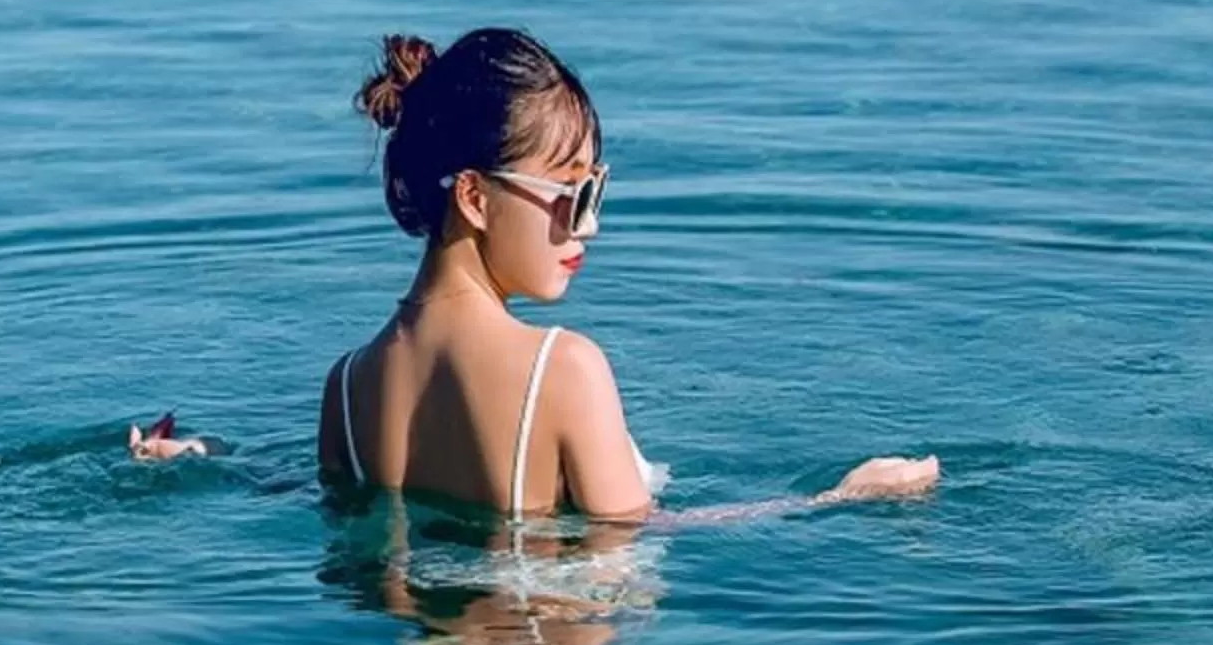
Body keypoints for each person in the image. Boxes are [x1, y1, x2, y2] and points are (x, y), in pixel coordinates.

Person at [318, 27, 938, 521]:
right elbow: (633, 533)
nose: (586, 224)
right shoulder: (562, 367)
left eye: (594, 190)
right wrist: (838, 501)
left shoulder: (346, 386)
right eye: (566, 191)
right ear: (476, 199)